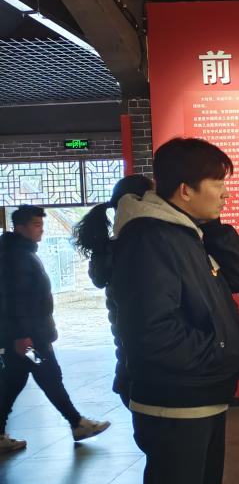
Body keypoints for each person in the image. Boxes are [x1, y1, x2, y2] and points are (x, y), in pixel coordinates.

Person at [111, 138, 239, 484]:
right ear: (185, 189)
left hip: (200, 396)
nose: (225, 192)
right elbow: (152, 333)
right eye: (217, 182)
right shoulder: (150, 238)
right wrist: (218, 352)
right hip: (174, 403)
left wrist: (214, 226)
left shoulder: (187, 231)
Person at [0, 205, 110, 453]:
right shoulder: (16, 257)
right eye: (36, 224)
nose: (41, 229)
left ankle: (77, 423)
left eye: (42, 224)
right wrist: (22, 336)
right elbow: (15, 299)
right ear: (20, 228)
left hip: (29, 337)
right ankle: (77, 423)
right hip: (29, 341)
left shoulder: (21, 253)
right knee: (47, 375)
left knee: (18, 381)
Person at [73, 174, 154, 408]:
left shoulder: (109, 246)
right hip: (143, 341)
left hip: (124, 337)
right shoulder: (144, 242)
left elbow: (99, 280)